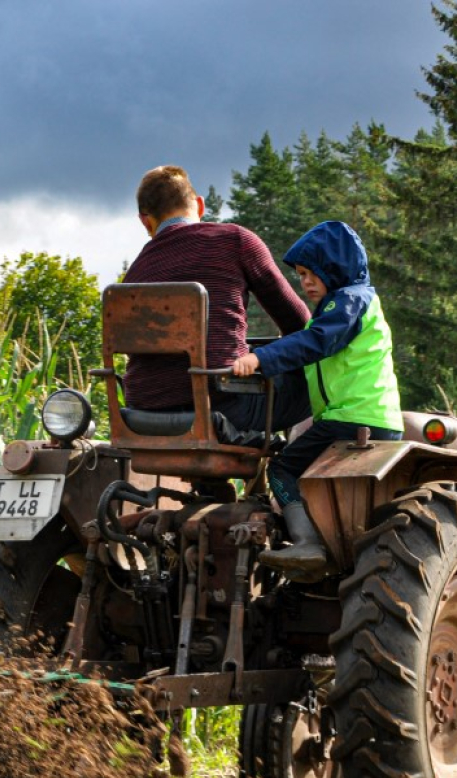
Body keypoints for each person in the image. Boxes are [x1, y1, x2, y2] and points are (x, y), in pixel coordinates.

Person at [232, 221, 402, 579]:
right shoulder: (341, 310)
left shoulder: (351, 301)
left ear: (334, 268)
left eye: (312, 273)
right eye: (300, 275)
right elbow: (309, 347)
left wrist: (261, 359)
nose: (305, 282)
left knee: (282, 469)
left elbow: (314, 344)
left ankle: (308, 542)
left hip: (354, 418)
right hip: (363, 417)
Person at [122, 165, 312, 434]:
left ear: (145, 220)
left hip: (143, 412)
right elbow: (299, 323)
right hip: (226, 407)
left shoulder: (134, 274)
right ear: (200, 205)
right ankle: (296, 459)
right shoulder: (235, 241)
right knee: (320, 376)